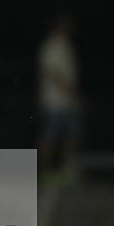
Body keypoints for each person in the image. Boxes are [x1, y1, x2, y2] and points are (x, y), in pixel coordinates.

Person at [38, 14, 82, 174]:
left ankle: (66, 170)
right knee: (51, 137)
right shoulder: (50, 46)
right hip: (54, 102)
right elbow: (51, 72)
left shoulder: (67, 46)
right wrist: (70, 92)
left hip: (68, 102)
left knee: (71, 137)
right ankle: (46, 170)